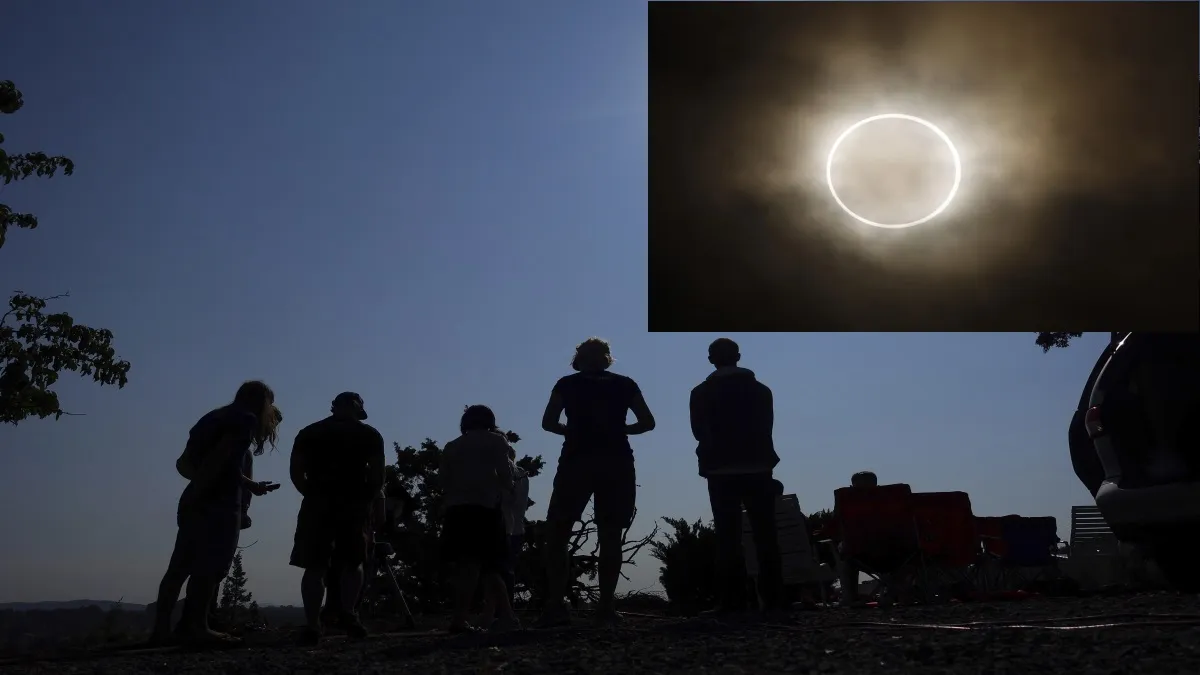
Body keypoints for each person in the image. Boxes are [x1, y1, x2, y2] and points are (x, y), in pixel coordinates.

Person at [151, 381, 282, 646]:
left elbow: (189, 461)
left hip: (195, 498)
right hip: (220, 502)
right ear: (262, 401)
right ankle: (196, 627)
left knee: (179, 567)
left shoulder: (214, 416)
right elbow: (225, 460)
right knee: (211, 568)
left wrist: (197, 489)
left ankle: (161, 630)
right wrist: (248, 484)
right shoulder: (244, 419)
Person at [537, 338, 656, 628]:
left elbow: (548, 422)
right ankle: (606, 606)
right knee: (611, 533)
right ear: (606, 359)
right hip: (616, 461)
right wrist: (619, 429)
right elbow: (647, 422)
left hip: (576, 460)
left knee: (559, 531)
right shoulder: (625, 384)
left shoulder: (566, 384)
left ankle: (555, 604)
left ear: (579, 359)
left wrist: (572, 431)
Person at [689, 338, 785, 618]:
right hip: (757, 465)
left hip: (720, 469)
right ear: (738, 356)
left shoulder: (701, 392)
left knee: (727, 536)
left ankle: (732, 601)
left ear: (711, 359)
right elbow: (766, 425)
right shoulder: (761, 390)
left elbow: (699, 431)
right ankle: (774, 599)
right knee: (766, 533)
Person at [289, 392, 386, 645]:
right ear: (356, 408)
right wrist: (368, 502)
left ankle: (313, 624)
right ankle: (349, 615)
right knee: (353, 562)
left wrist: (311, 494)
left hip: (317, 503)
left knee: (315, 565)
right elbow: (377, 476)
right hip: (354, 505)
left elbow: (296, 471)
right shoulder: (369, 435)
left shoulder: (309, 432)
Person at [440, 405, 520, 633]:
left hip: (457, 510)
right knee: (490, 565)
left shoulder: (452, 446)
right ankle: (498, 617)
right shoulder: (496, 442)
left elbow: (443, 480)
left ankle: (496, 616)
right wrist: (510, 489)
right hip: (485, 510)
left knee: (468, 565)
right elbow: (505, 474)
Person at [479, 445, 532, 626]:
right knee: (504, 571)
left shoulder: (511, 474)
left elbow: (508, 500)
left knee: (495, 571)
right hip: (516, 527)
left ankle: (500, 613)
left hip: (504, 527)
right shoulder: (522, 475)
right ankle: (500, 613)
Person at [832, 470, 878, 605]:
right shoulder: (890, 499)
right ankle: (901, 594)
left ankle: (850, 596)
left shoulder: (847, 500)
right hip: (895, 553)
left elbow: (835, 524)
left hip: (859, 554)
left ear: (852, 487)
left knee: (845, 553)